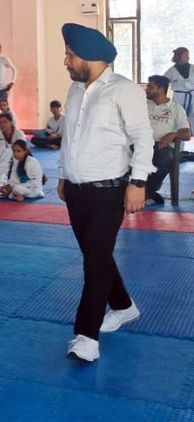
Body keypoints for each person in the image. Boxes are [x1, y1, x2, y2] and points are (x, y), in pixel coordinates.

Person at [58, 23, 154, 363]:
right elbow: (69, 136)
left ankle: (86, 336)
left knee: (95, 261)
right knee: (95, 256)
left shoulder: (123, 90)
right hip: (76, 190)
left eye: (70, 55)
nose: (66, 61)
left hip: (109, 192)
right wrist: (62, 175)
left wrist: (138, 182)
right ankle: (124, 307)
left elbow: (143, 136)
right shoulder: (75, 90)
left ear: (88, 56)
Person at [144, 75, 191, 205]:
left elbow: (186, 134)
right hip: (140, 144)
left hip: (162, 147)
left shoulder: (176, 109)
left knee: (165, 159)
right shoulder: (142, 105)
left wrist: (172, 135)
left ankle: (146, 193)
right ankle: (150, 192)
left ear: (161, 89)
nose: (146, 89)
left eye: (150, 86)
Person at [163, 47, 194, 130]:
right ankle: (179, 136)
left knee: (193, 115)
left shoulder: (193, 68)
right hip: (179, 96)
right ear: (179, 57)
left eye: (188, 55)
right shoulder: (171, 71)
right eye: (185, 55)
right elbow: (163, 84)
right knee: (178, 115)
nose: (188, 57)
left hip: (192, 95)